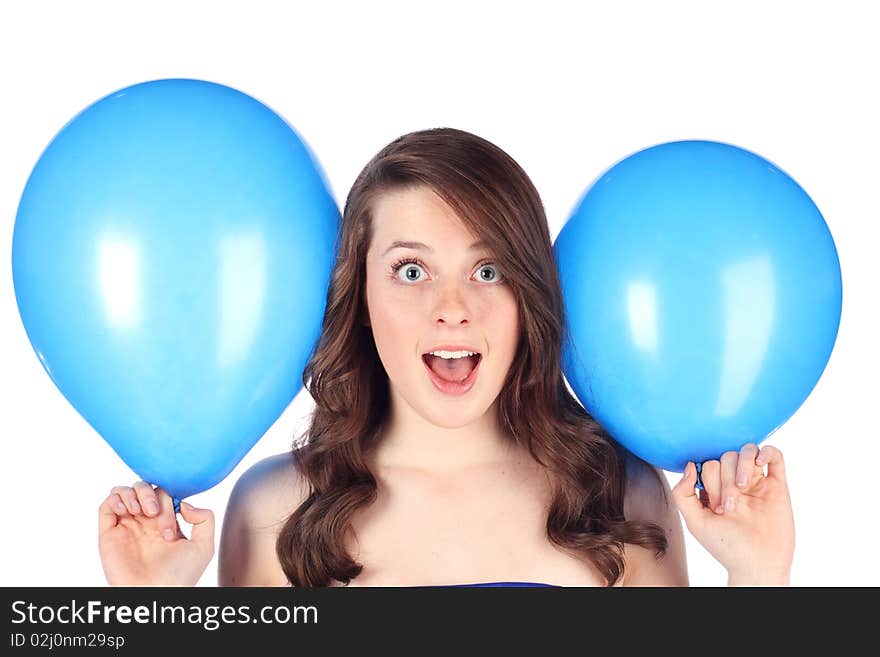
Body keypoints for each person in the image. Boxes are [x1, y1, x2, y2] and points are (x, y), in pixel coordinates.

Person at [98, 128, 795, 587]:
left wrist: (759, 576)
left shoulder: (619, 497)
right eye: (411, 270)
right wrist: (149, 610)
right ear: (360, 293)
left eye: (488, 270)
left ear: (529, 293)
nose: (452, 306)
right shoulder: (273, 509)